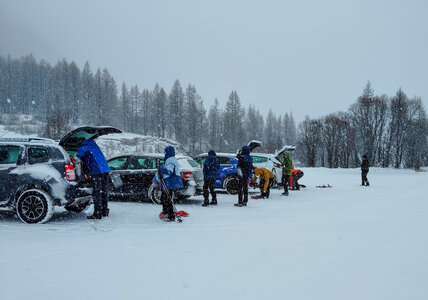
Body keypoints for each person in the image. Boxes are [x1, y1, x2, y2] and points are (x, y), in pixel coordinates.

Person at [77, 138, 111, 219]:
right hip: (105, 169)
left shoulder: (83, 147)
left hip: (97, 171)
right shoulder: (94, 145)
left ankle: (97, 214)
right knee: (103, 191)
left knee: (97, 193)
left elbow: (76, 157)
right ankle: (104, 211)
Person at [159, 146, 184, 221]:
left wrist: (162, 169)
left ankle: (171, 216)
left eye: (165, 152)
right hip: (170, 182)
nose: (164, 154)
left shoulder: (170, 160)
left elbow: (169, 172)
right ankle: (166, 212)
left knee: (167, 199)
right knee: (164, 197)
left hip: (170, 182)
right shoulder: (171, 159)